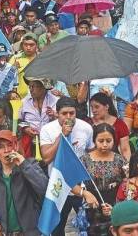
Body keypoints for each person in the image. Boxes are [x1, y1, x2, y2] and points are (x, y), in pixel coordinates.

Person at [40, 96, 94, 236]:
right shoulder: (47, 129)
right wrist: (62, 136)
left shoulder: (86, 128)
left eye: (72, 113)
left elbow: (91, 153)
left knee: (89, 225)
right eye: (64, 114)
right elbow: (46, 158)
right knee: (57, 228)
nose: (69, 117)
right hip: (58, 184)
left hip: (80, 183)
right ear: (57, 113)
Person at [0, 130, 49, 236]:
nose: (6, 150)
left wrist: (23, 164)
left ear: (15, 147)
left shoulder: (29, 165)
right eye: (1, 147)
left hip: (31, 232)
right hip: (4, 232)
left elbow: (45, 189)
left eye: (9, 145)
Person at [80, 123, 127, 235]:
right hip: (92, 208)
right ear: (94, 140)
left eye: (108, 141)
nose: (105, 145)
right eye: (101, 141)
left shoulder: (120, 160)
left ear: (114, 140)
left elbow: (128, 184)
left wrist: (116, 206)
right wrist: (85, 194)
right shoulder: (85, 160)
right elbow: (72, 184)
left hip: (114, 207)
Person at [89, 92, 131, 161]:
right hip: (92, 161)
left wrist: (128, 165)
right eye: (91, 107)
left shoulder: (120, 124)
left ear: (107, 107)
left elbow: (125, 149)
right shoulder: (87, 124)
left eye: (97, 107)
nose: (93, 110)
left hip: (113, 161)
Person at [10, 33, 39, 100]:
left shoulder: (42, 58)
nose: (28, 48)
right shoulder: (15, 58)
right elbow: (7, 78)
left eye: (31, 45)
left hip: (39, 97)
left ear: (36, 45)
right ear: (22, 45)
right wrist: (13, 69)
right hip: (19, 98)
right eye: (25, 45)